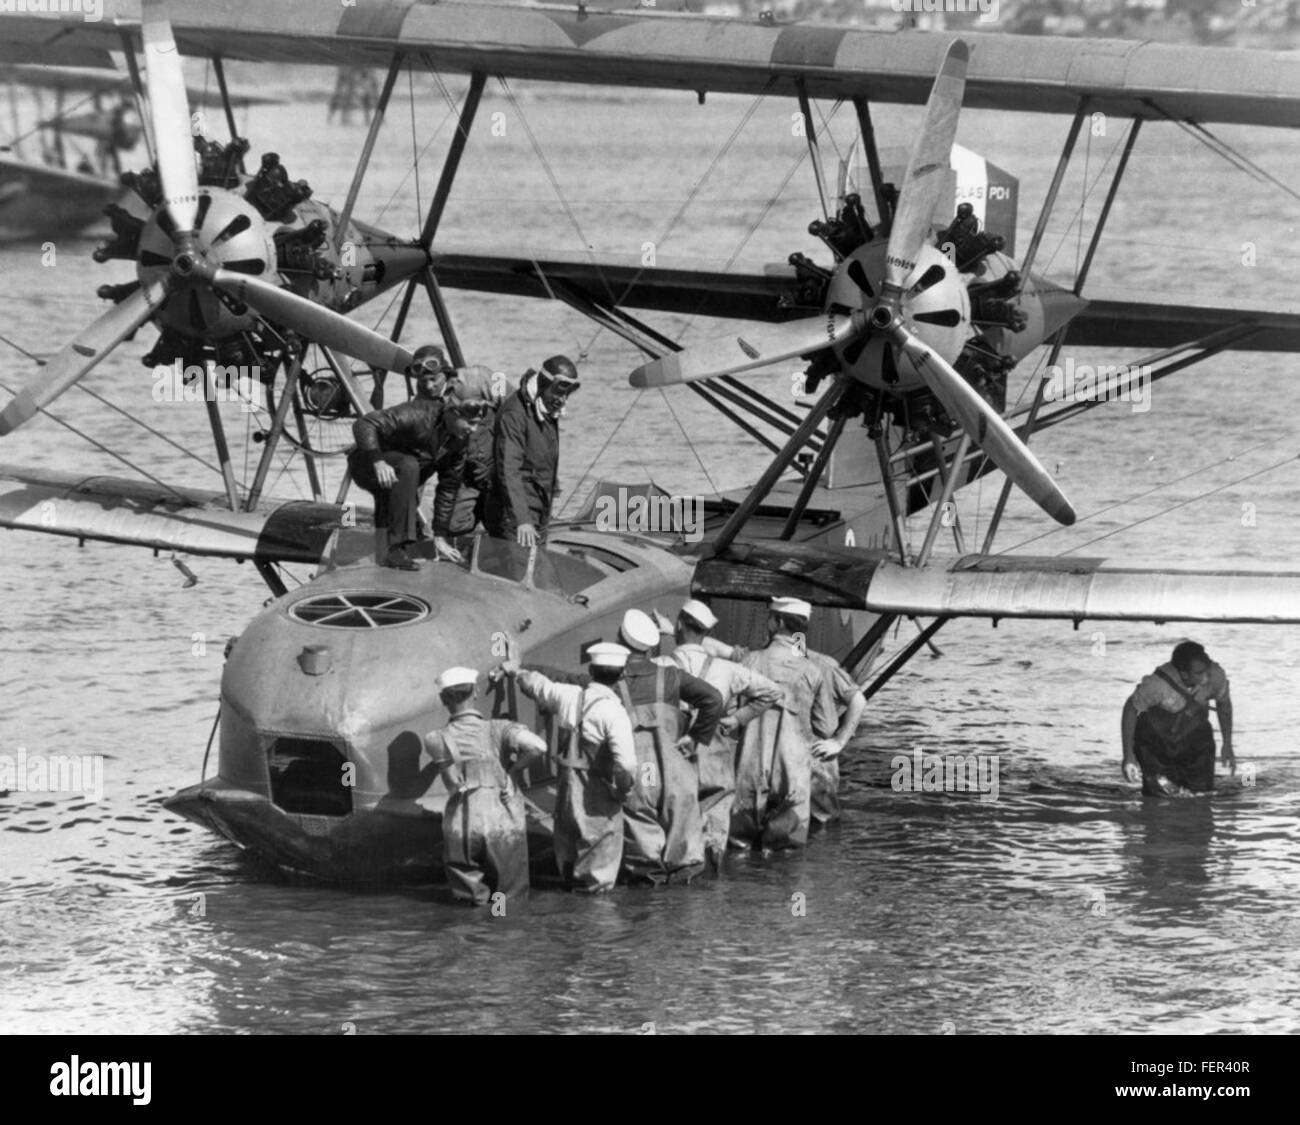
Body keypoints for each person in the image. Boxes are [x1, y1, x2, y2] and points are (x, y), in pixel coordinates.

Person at [654, 599, 782, 870]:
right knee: (714, 818)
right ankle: (712, 876)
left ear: (678, 625)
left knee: (671, 817)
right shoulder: (726, 670)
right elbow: (773, 692)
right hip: (713, 752)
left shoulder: (659, 665)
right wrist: (737, 719)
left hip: (671, 751)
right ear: (706, 633)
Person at [501, 642, 638, 894]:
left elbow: (537, 685)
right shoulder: (615, 713)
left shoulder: (567, 695)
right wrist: (623, 793)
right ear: (620, 676)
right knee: (599, 875)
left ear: (592, 669)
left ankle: (569, 914)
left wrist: (516, 670)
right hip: (598, 798)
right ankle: (593, 920)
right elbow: (626, 766)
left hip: (566, 789)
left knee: (567, 853)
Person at [348, 364, 495, 570]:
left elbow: (448, 489)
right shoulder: (418, 414)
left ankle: (386, 548)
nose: (474, 430)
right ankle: (397, 548)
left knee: (408, 471)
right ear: (452, 413)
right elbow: (364, 425)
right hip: (367, 462)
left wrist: (440, 536)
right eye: (470, 423)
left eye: (478, 424)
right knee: (409, 465)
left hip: (397, 476)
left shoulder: (458, 442)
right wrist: (378, 461)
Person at [616, 609, 723, 885]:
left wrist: (521, 670)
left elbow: (566, 682)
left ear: (620, 641)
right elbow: (713, 699)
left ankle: (651, 915)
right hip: (675, 771)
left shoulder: (614, 683)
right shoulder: (672, 678)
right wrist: (697, 737)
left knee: (644, 861)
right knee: (687, 858)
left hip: (640, 776)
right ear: (651, 646)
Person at [424, 666, 547, 905]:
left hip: (461, 825)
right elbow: (538, 747)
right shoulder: (499, 728)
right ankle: (503, 932)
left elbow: (450, 780)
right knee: (509, 899)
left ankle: (475, 935)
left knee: (468, 902)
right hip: (502, 820)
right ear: (476, 692)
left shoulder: (435, 739)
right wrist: (513, 771)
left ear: (442, 699)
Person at [730, 597, 837, 852]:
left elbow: (731, 714)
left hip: (750, 766)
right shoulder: (813, 670)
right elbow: (827, 727)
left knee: (738, 849)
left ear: (776, 623)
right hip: (793, 771)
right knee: (787, 855)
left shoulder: (750, 662)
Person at [486, 355, 580, 548]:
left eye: (566, 395)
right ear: (544, 384)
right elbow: (509, 470)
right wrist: (522, 519)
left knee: (538, 566)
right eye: (558, 393)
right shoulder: (515, 414)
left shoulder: (545, 407)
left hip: (540, 504)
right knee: (520, 570)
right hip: (515, 511)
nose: (562, 400)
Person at [1121, 640, 1234, 796]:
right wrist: (1128, 756)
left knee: (1201, 795)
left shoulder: (1216, 675)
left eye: (1207, 670)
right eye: (1199, 673)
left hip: (1195, 738)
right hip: (1156, 742)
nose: (1206, 678)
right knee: (1159, 796)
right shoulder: (1156, 685)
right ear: (1184, 674)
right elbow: (1130, 709)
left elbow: (1224, 707)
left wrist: (1227, 744)